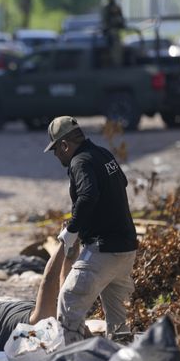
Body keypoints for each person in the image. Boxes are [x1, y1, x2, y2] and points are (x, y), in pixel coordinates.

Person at [44, 116, 138, 345]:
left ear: (65, 145)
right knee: (118, 321)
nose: (57, 156)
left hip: (102, 250)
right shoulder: (103, 154)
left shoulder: (80, 162)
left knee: (69, 300)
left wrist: (72, 230)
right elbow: (121, 183)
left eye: (56, 150)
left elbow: (88, 195)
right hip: (126, 249)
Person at [101, 0, 125, 66]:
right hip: (109, 32)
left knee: (117, 49)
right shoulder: (106, 7)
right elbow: (105, 20)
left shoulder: (116, 7)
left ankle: (117, 63)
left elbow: (121, 19)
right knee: (109, 49)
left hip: (115, 31)